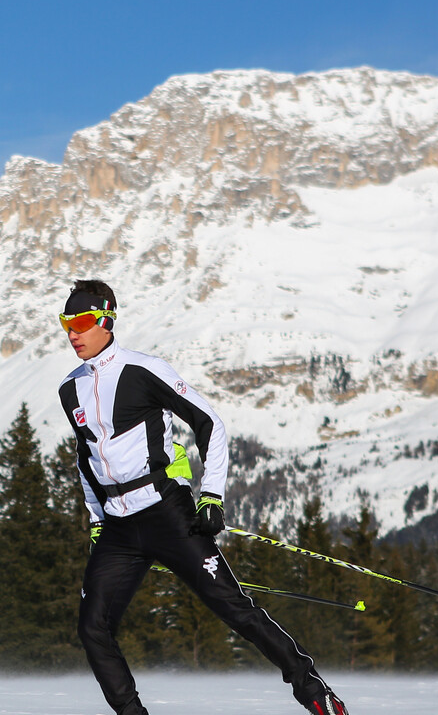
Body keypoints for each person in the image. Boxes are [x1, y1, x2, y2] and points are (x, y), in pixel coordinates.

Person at [55, 279, 348, 715]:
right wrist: (97, 518)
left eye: (80, 321)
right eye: (65, 323)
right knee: (92, 627)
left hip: (166, 515)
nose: (72, 333)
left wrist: (211, 495)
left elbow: (209, 422)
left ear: (105, 319)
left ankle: (313, 692)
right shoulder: (69, 388)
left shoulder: (142, 370)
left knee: (234, 610)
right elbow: (86, 456)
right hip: (117, 528)